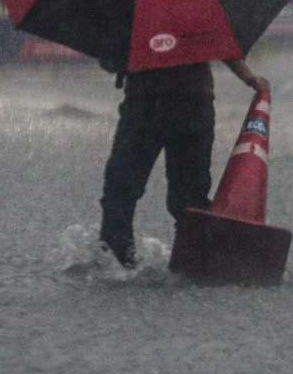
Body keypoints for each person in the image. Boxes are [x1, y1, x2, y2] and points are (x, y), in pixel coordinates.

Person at [98, 58, 269, 268]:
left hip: (146, 103)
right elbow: (220, 41)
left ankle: (117, 262)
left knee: (121, 192)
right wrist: (249, 77)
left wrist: (117, 64)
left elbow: (110, 60)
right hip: (193, 102)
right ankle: (198, 263)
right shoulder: (197, 23)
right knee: (189, 198)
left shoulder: (129, 25)